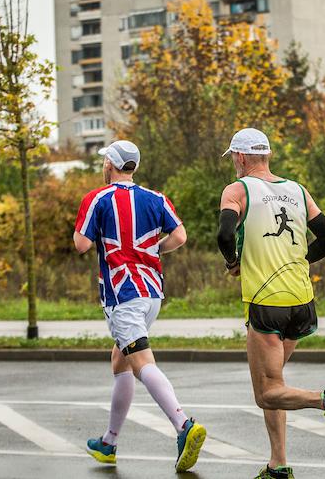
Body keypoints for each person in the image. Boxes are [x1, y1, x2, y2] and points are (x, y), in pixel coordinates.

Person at [215, 127, 325, 479]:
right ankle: (278, 465)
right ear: (267, 156)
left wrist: (233, 262)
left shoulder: (237, 189)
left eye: (234, 156)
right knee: (277, 385)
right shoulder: (297, 190)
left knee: (266, 393)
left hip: (265, 301)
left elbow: (223, 233)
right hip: (301, 300)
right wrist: (298, 260)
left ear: (242, 157)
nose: (234, 161)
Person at [73, 140, 207, 471]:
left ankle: (183, 425)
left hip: (123, 295)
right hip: (152, 294)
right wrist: (153, 250)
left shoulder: (97, 198)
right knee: (121, 361)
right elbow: (180, 236)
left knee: (142, 362)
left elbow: (81, 244)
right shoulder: (156, 199)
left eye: (104, 160)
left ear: (109, 164)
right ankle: (108, 443)